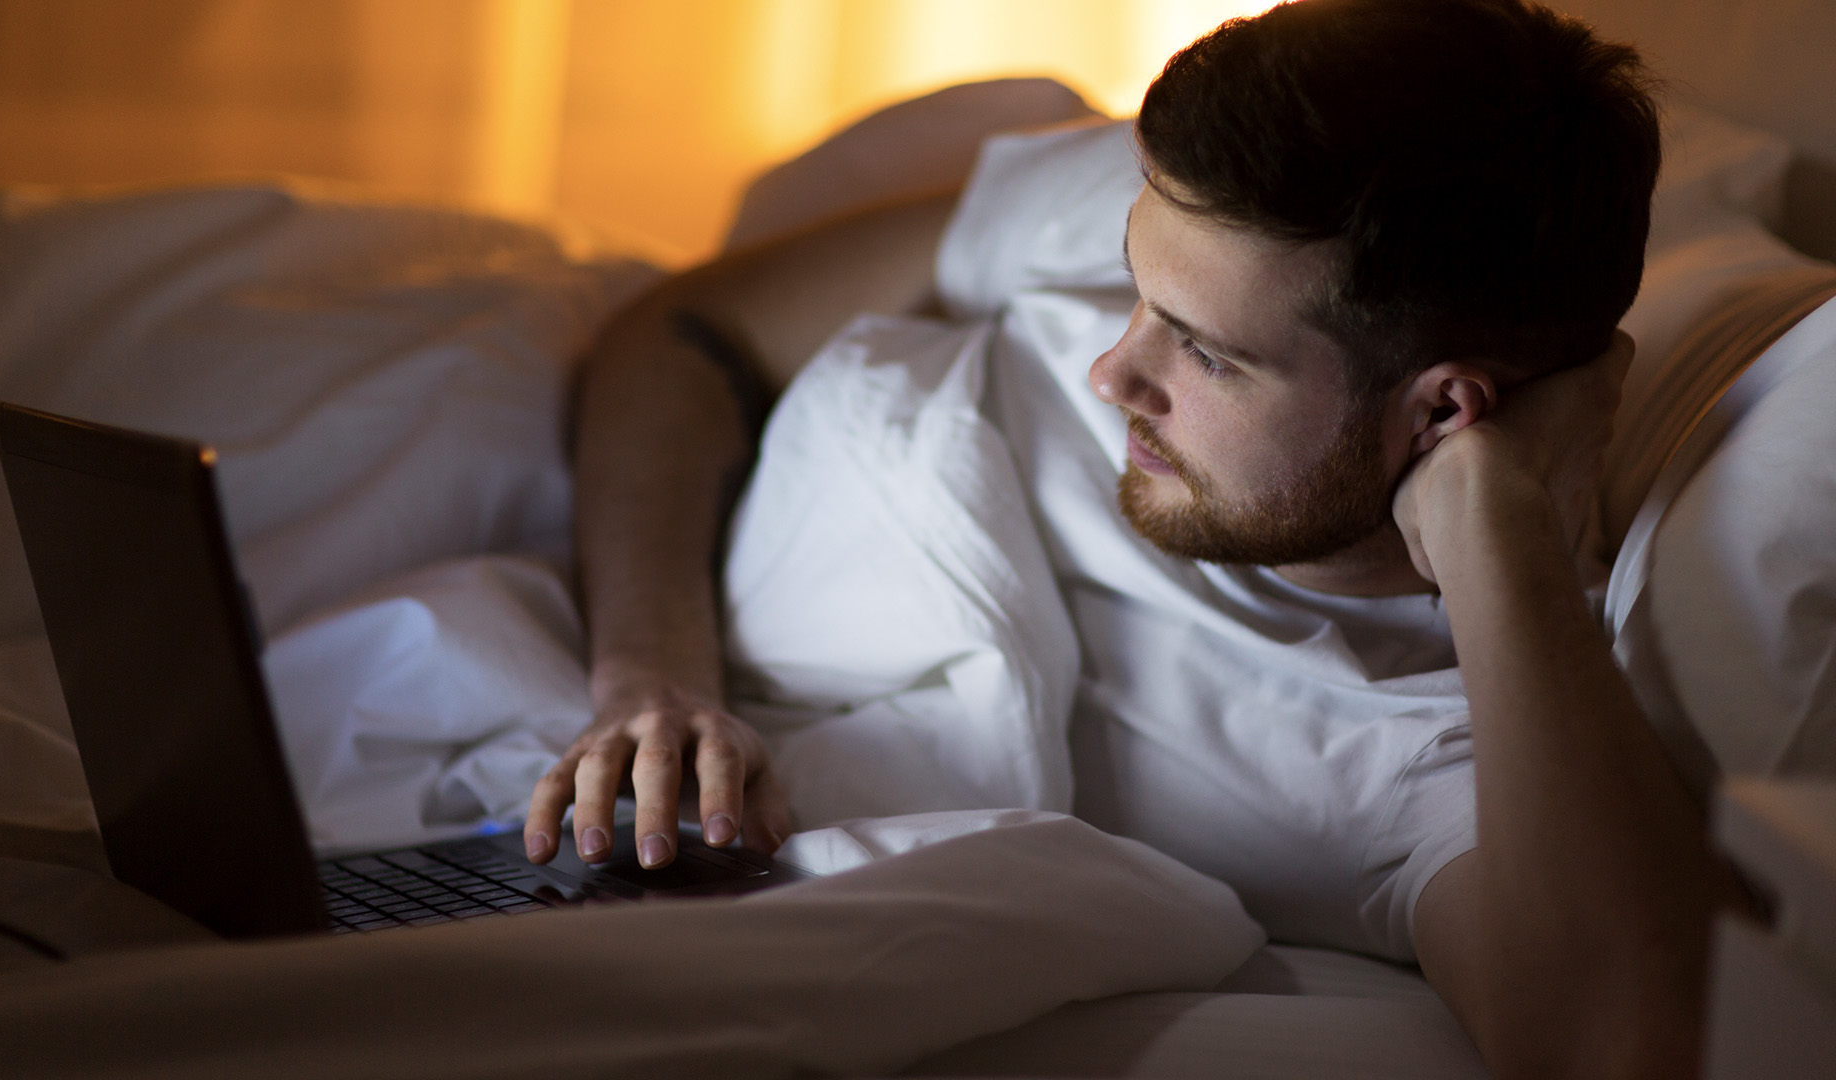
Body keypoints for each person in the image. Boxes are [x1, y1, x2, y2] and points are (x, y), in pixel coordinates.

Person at [527, 0, 1751, 1075]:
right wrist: (649, 674)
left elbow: (1625, 1047)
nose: (1114, 368)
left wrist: (1498, 535)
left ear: (1442, 409)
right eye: (1133, 291)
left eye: (1207, 356)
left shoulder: (1426, 753)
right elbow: (685, 337)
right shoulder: (1217, 225)